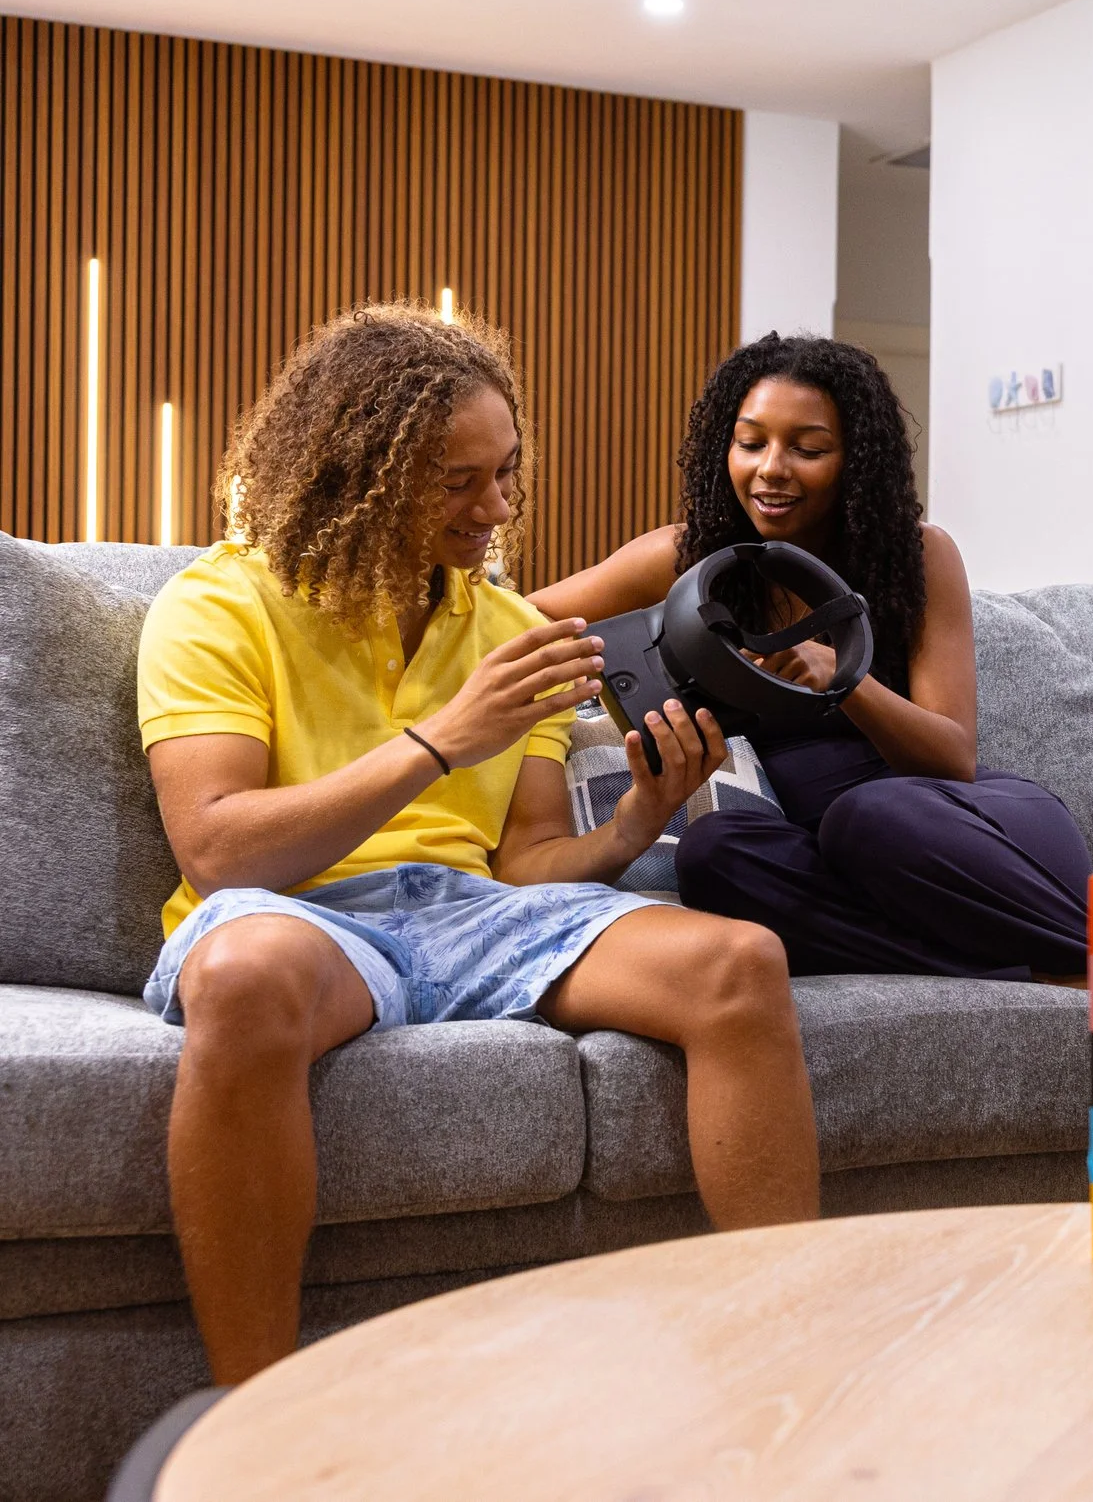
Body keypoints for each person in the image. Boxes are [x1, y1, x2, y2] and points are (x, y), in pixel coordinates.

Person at [140, 305, 820, 1385]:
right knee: (244, 972)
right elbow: (220, 849)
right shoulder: (217, 605)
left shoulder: (509, 631)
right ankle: (250, 1409)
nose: (496, 507)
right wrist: (439, 739)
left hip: (471, 912)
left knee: (736, 962)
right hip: (303, 914)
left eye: (504, 472)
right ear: (355, 469)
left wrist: (638, 821)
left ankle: (787, 1372)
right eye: (459, 481)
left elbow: (528, 862)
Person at [533, 334, 1091, 982]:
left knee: (868, 814)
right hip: (831, 862)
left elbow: (951, 755)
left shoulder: (919, 556)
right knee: (714, 852)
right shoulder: (686, 560)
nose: (772, 467)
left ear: (854, 460)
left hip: (965, 834)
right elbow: (520, 620)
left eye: (808, 448)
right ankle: (1009, 973)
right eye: (751, 442)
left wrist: (844, 675)